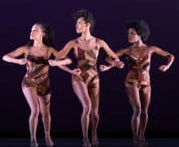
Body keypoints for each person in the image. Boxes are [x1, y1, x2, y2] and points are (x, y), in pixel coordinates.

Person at [48, 9, 123, 147]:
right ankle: (85, 139)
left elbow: (115, 58)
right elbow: (56, 59)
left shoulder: (99, 42)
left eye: (79, 23)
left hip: (95, 78)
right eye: (76, 23)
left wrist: (112, 66)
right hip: (79, 77)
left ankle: (93, 133)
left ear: (87, 25)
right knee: (87, 106)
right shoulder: (73, 43)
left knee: (95, 112)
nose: (76, 26)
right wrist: (66, 68)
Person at [99, 20, 175, 146]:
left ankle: (142, 136)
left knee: (145, 111)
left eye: (132, 33)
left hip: (146, 82)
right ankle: (135, 138)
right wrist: (114, 64)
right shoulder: (127, 51)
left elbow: (170, 56)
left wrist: (167, 66)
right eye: (128, 33)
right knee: (138, 109)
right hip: (131, 81)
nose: (128, 36)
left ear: (140, 34)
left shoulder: (150, 49)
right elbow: (108, 57)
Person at [2, 23, 72, 147]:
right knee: (35, 110)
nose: (31, 32)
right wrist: (17, 61)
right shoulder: (26, 49)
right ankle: (33, 139)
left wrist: (56, 63)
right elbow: (5, 57)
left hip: (45, 83)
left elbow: (68, 60)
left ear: (43, 34)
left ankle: (47, 135)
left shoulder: (49, 50)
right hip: (29, 82)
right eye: (31, 30)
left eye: (35, 30)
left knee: (45, 113)